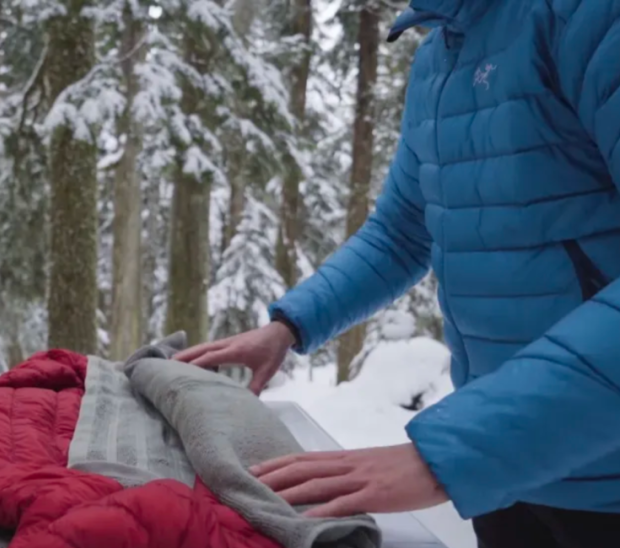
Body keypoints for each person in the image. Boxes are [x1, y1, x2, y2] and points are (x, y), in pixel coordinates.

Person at [174, 1, 620, 547]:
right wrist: (288, 326)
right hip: (509, 476)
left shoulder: (586, 17)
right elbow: (402, 231)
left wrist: (458, 451)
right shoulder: (438, 59)